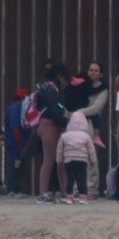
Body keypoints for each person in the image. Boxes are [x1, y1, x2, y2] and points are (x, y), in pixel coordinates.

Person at [65, 62, 110, 196]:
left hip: (89, 123)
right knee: (74, 155)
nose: (92, 73)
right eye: (90, 70)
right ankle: (77, 189)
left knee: (90, 156)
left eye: (96, 71)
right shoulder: (82, 85)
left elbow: (96, 108)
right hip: (74, 123)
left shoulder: (103, 89)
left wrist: (78, 112)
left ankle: (91, 189)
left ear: (101, 74)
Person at [33, 62, 71, 204]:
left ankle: (64, 191)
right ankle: (44, 193)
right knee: (50, 159)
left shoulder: (46, 88)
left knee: (58, 160)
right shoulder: (50, 89)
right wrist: (69, 123)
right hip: (49, 125)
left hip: (50, 125)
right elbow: (55, 112)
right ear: (60, 76)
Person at [57, 112, 97, 204]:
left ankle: (69, 197)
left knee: (70, 179)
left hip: (69, 160)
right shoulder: (86, 136)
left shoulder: (65, 136)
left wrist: (59, 160)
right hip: (82, 161)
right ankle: (83, 197)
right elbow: (91, 150)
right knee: (82, 178)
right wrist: (93, 161)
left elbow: (59, 149)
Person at [4, 88, 32, 196]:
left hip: (21, 144)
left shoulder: (21, 109)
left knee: (21, 167)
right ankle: (12, 189)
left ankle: (17, 189)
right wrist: (20, 144)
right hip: (16, 144)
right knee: (16, 166)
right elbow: (14, 128)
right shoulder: (14, 109)